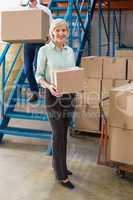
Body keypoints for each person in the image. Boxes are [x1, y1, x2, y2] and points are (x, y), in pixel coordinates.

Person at [35, 18, 76, 189]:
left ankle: (61, 166)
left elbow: (72, 74)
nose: (60, 33)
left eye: (63, 30)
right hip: (52, 96)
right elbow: (38, 76)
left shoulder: (70, 51)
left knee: (63, 133)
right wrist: (49, 86)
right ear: (52, 32)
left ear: (67, 33)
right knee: (58, 133)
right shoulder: (44, 51)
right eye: (57, 30)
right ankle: (61, 174)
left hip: (68, 96)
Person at [21, 0, 53, 102]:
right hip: (28, 42)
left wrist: (49, 37)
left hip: (40, 42)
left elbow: (52, 26)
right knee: (27, 69)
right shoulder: (23, 11)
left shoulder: (45, 10)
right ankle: (34, 92)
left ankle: (45, 87)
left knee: (37, 65)